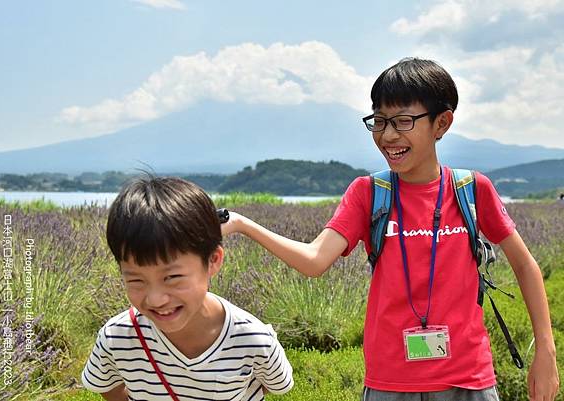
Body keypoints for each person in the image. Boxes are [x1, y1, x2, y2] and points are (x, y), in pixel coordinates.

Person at [222, 58, 559, 401]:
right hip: (390, 382)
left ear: (441, 123)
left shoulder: (472, 189)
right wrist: (243, 224)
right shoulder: (368, 193)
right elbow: (314, 260)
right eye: (379, 122)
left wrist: (545, 351)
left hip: (468, 380)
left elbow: (525, 266)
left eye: (402, 121)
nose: (388, 135)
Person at [82, 176, 293, 401]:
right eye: (136, 280)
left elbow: (276, 385)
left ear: (213, 260)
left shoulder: (254, 338)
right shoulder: (117, 337)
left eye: (172, 277)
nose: (155, 299)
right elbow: (109, 388)